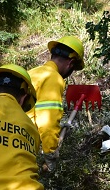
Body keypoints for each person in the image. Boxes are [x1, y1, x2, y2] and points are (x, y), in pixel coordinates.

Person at [27, 35, 85, 171]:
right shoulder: (53, 78)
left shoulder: (31, 72)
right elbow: (47, 121)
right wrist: (50, 153)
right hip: (22, 144)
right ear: (70, 63)